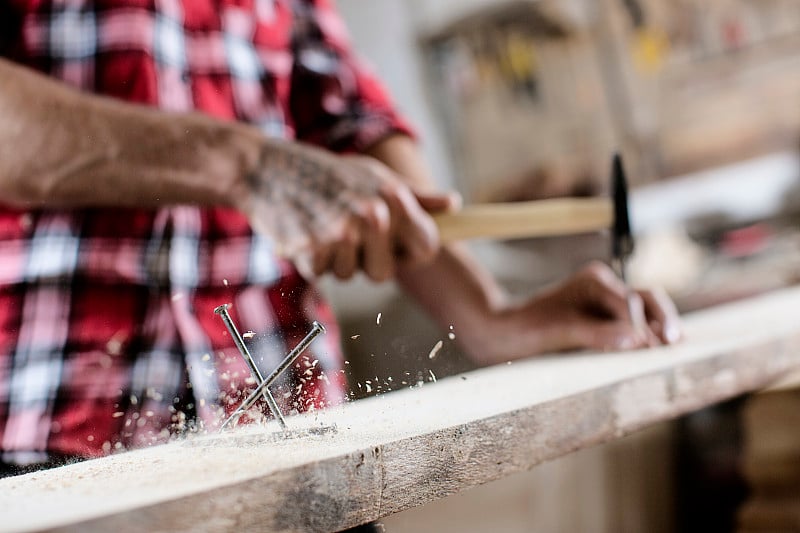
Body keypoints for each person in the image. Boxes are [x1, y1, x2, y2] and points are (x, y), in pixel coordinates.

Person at [0, 0, 680, 476]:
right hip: (48, 433)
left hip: (289, 432)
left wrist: (488, 313)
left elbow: (350, 116)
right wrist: (249, 164)